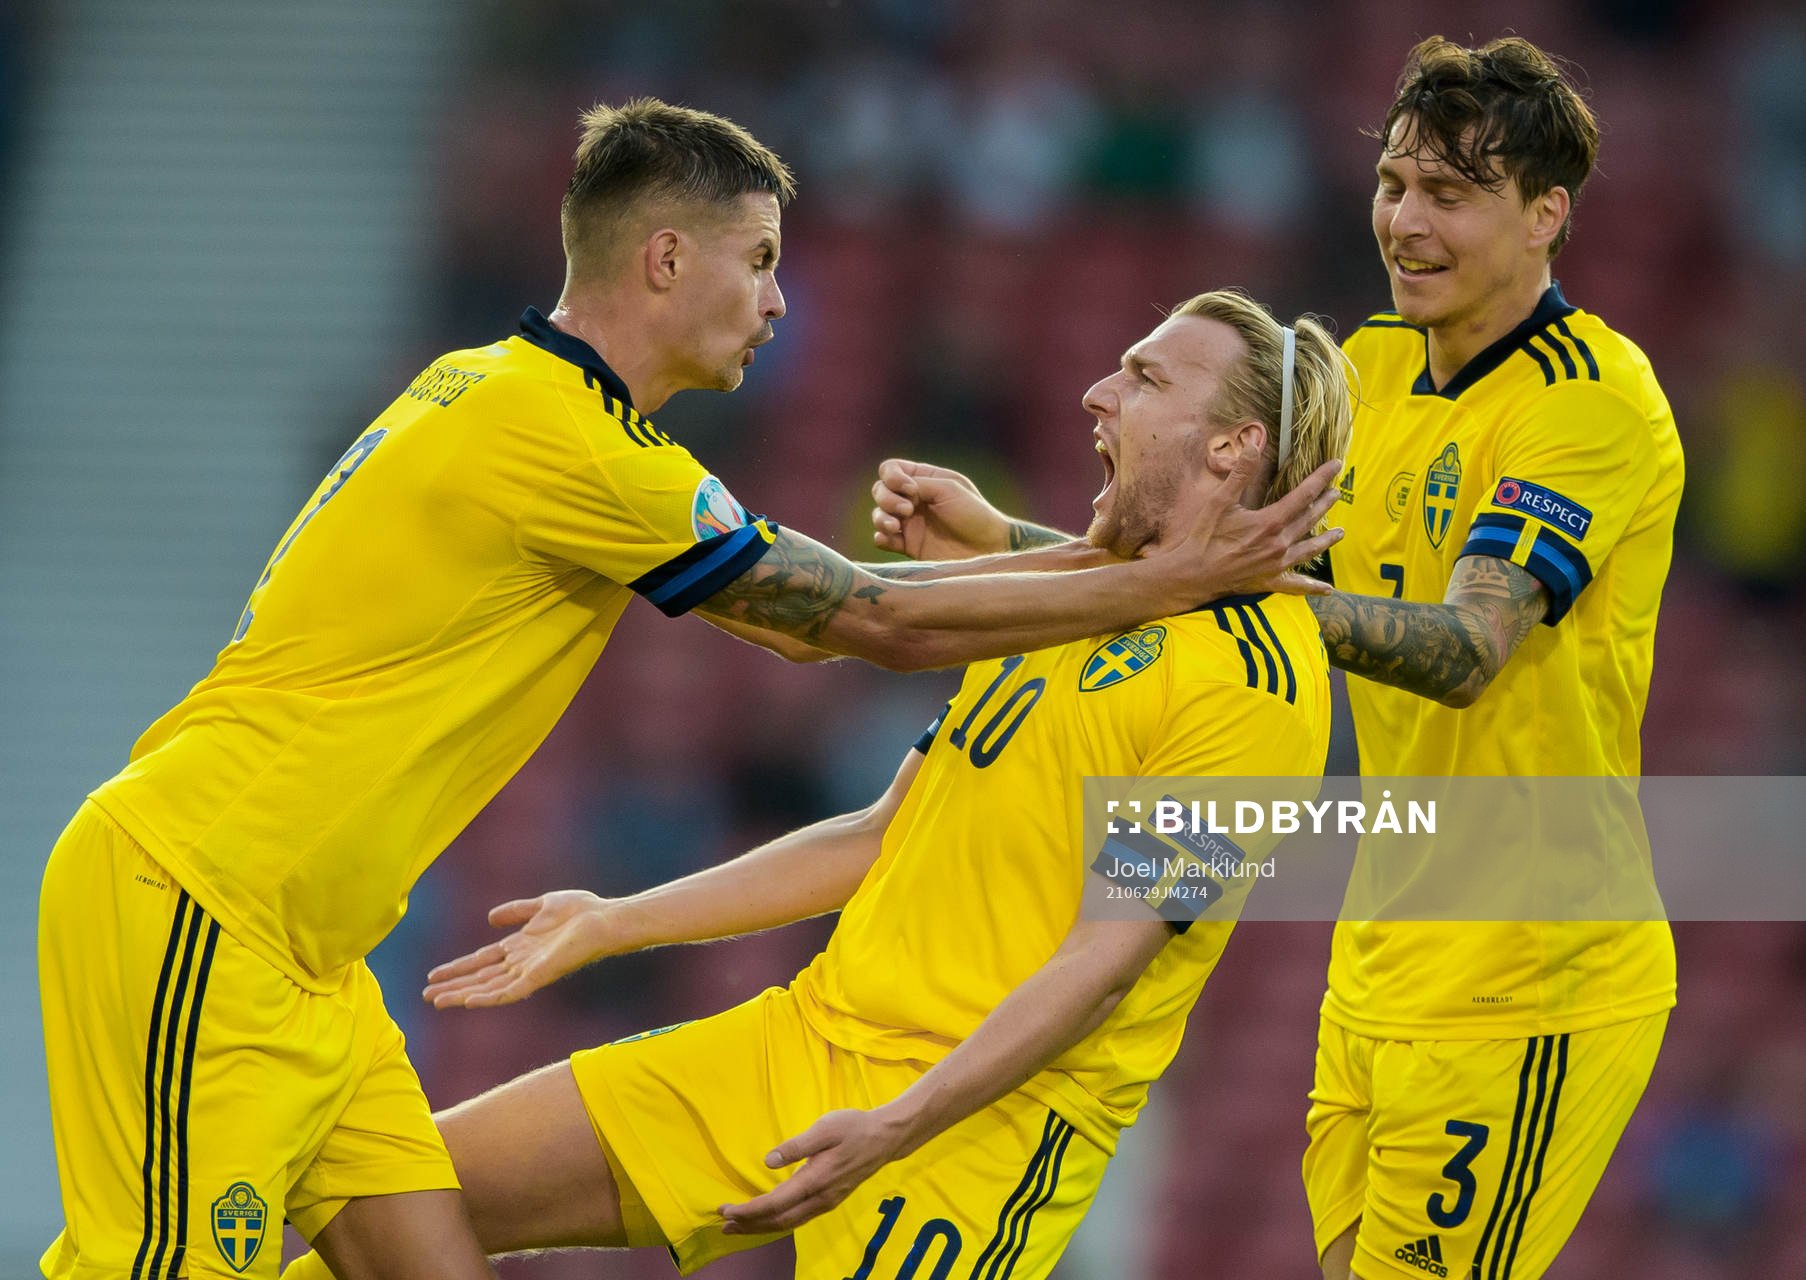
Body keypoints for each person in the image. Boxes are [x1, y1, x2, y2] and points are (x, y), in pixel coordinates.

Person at [35, 102, 1344, 1280]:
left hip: (935, 1118)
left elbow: (1124, 931)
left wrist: (1072, 562)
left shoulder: (495, 389)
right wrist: (1122, 570)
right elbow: (861, 627)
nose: (780, 303)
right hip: (213, 891)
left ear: (1237, 446)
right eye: (760, 260)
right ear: (666, 259)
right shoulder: (579, 444)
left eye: (1146, 377)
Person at [278, 289, 1350, 1280]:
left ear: (1233, 446)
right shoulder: (1069, 602)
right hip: (805, 1040)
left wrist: (900, 1121)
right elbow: (882, 834)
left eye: (1146, 378)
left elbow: (1105, 963)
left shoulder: (1253, 682)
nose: (1098, 393)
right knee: (387, 1213)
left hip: (971, 1133)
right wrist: (616, 919)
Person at [869, 37, 1684, 1280]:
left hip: (1532, 971)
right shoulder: (1368, 370)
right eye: (1395, 184)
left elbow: (1471, 646)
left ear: (1545, 215)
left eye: (1450, 194)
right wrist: (1008, 540)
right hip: (1381, 958)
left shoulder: (1590, 400)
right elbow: (1196, 565)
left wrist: (1229, 584)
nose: (1406, 221)